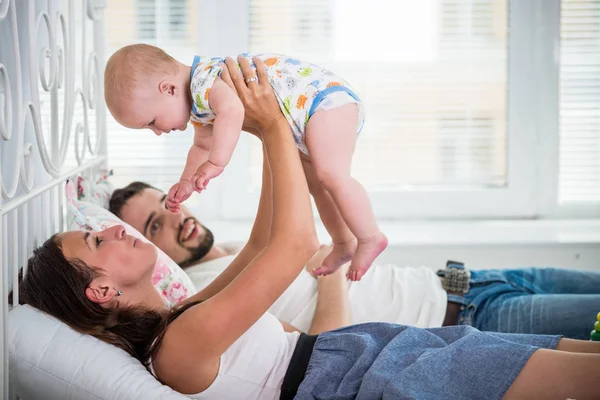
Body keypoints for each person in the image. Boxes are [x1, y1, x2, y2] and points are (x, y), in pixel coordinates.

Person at [23, 56, 600, 400]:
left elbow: (259, 243)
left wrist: (271, 136)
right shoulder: (176, 351)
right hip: (366, 378)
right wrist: (274, 127)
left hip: (373, 357)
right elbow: (295, 244)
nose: (119, 233)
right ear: (100, 291)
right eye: (98, 241)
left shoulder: (187, 314)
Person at [109, 184, 600, 340]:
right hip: (467, 320)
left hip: (470, 281)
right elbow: (323, 348)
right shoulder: (209, 297)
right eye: (153, 227)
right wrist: (331, 272)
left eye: (168, 205)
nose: (176, 220)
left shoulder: (239, 251)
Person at [103, 43, 387, 281]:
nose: (157, 131)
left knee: (331, 174)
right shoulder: (199, 107)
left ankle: (370, 235)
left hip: (323, 102)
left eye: (151, 122)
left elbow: (232, 111)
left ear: (168, 89)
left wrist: (216, 163)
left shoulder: (204, 81)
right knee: (317, 183)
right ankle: (344, 241)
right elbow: (202, 144)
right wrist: (187, 181)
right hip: (308, 115)